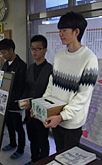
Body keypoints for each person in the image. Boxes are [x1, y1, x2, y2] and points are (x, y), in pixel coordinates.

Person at [40, 11, 98, 152]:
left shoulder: (89, 59)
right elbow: (51, 84)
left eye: (64, 30)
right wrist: (42, 106)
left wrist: (62, 116)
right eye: (60, 30)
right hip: (55, 116)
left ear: (76, 32)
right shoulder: (59, 56)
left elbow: (82, 96)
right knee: (59, 152)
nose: (60, 34)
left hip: (71, 122)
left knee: (70, 158)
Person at [18, 35, 52, 165]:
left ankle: (43, 162)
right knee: (32, 138)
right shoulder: (30, 68)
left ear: (45, 50)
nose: (34, 52)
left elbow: (50, 93)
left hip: (42, 111)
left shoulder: (50, 69)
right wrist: (24, 100)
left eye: (38, 49)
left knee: (43, 139)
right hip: (29, 111)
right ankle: (34, 160)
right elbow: (26, 87)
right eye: (32, 49)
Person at [0, 38, 27, 159]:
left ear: (11, 50)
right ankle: (12, 143)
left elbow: (21, 86)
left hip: (15, 102)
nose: (3, 55)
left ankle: (20, 149)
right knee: (9, 124)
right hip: (5, 101)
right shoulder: (5, 64)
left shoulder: (21, 65)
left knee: (18, 127)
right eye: (1, 53)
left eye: (4, 52)